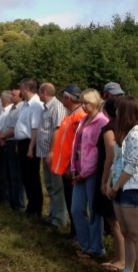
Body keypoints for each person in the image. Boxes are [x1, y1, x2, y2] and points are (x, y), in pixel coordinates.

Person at [71, 88, 108, 258]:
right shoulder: (84, 119)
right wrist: (74, 168)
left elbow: (96, 152)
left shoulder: (101, 121)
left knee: (94, 211)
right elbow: (77, 146)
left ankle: (96, 248)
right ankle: (86, 244)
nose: (83, 106)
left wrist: (84, 172)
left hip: (91, 173)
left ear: (94, 102)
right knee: (76, 209)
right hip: (79, 170)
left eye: (86, 102)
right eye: (82, 102)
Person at [108, 96, 138, 272]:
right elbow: (117, 162)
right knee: (127, 232)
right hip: (120, 187)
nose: (116, 112)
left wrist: (116, 186)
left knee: (135, 234)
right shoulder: (124, 134)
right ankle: (127, 271)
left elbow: (131, 165)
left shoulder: (135, 135)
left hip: (131, 188)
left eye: (119, 109)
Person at [93, 98, 125, 271]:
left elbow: (109, 158)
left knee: (114, 222)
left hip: (112, 177)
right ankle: (119, 256)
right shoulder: (124, 127)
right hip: (118, 177)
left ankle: (121, 260)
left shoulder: (109, 130)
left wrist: (104, 181)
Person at [51, 85, 86, 239]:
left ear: (68, 98)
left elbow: (78, 144)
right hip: (65, 165)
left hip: (71, 167)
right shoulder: (70, 115)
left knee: (74, 201)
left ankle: (78, 233)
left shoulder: (79, 117)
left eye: (63, 97)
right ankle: (75, 231)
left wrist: (73, 166)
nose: (62, 100)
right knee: (69, 198)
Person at [37, 83, 68, 229]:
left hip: (53, 154)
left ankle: (59, 219)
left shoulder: (57, 107)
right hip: (45, 153)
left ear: (44, 92)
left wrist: (51, 151)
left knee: (56, 186)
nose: (38, 94)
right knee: (49, 185)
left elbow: (58, 130)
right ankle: (52, 214)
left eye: (39, 92)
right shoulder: (45, 108)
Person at [14, 78, 44, 218]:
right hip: (22, 143)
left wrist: (31, 148)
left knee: (32, 176)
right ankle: (31, 206)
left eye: (21, 88)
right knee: (25, 176)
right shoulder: (26, 105)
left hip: (30, 143)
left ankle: (35, 207)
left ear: (26, 89)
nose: (20, 91)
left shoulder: (36, 105)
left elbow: (35, 129)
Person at [0, 88, 25, 211]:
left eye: (14, 95)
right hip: (7, 142)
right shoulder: (13, 109)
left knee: (16, 176)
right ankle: (11, 201)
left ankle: (18, 204)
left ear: (21, 97)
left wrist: (3, 136)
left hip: (14, 142)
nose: (11, 97)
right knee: (8, 173)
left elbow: (16, 128)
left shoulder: (21, 108)